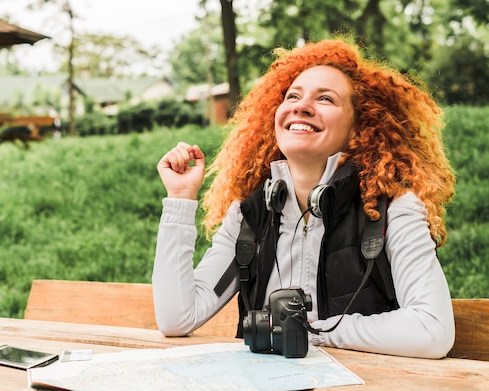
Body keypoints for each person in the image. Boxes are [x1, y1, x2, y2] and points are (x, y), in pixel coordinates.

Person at [152, 38, 456, 359]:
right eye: (293, 96)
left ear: (358, 129)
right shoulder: (250, 216)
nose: (301, 105)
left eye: (326, 98)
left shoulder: (392, 209)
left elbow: (432, 330)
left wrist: (319, 330)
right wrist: (180, 199)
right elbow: (177, 318)